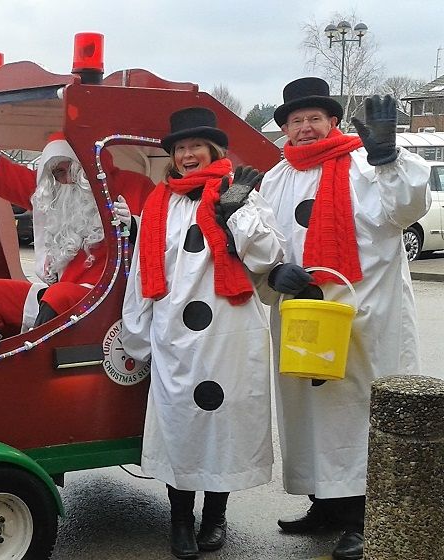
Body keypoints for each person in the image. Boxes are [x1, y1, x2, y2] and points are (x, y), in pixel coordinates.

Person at [258, 77, 431, 560]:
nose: (306, 127)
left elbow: (407, 208)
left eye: (315, 118)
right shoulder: (277, 177)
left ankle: (362, 517)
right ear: (286, 129)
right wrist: (274, 271)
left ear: (332, 121)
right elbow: (262, 239)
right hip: (304, 314)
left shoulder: (363, 162)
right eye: (297, 120)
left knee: (358, 411)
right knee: (308, 410)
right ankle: (325, 505)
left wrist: (388, 156)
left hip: (364, 315)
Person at [120, 107, 285, 559]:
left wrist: (237, 216)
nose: (188, 154)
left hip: (232, 332)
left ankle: (214, 517)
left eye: (195, 146)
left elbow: (270, 255)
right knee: (182, 426)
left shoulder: (243, 193)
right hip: (177, 334)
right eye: (180, 148)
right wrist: (137, 334)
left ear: (214, 149)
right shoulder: (160, 203)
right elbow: (141, 272)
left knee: (223, 423)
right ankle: (179, 519)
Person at [0, 77, 155, 337]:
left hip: (111, 299)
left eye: (66, 170)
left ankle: (29, 366)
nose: (62, 179)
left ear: (84, 165)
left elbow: (160, 239)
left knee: (59, 295)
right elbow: (1, 173)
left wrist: (134, 226)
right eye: (56, 174)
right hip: (65, 296)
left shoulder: (135, 186)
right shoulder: (57, 194)